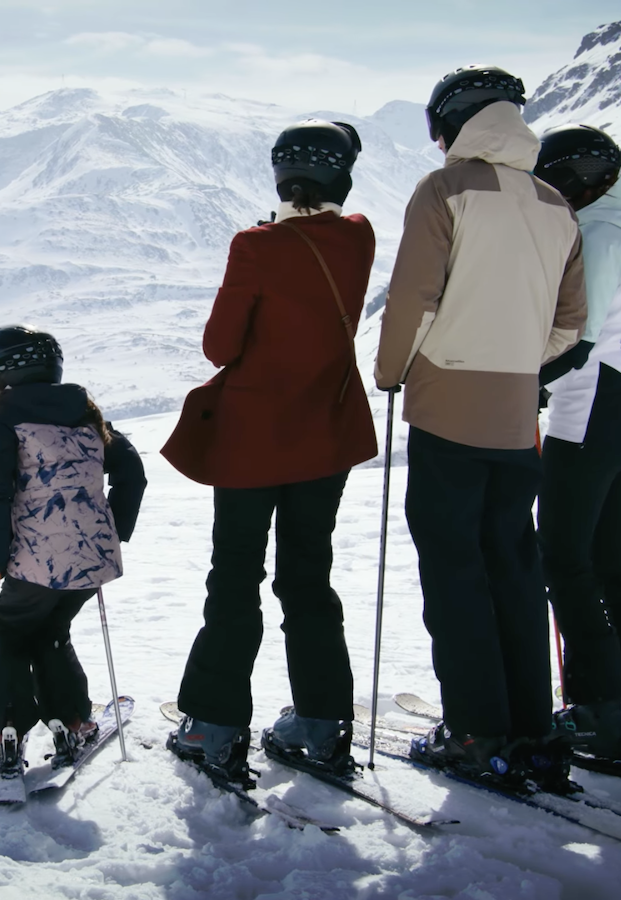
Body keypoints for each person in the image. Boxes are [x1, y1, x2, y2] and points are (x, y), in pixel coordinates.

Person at [372, 65, 587, 785]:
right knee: (514, 567)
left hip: (445, 408)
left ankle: (474, 730)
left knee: (457, 572)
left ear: (454, 122)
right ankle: (533, 725)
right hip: (515, 411)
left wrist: (393, 371)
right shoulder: (557, 203)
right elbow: (570, 325)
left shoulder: (445, 189)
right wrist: (516, 363)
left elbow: (413, 298)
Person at [163, 119, 379, 781]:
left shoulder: (255, 246)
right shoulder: (359, 236)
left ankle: (215, 725)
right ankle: (322, 723)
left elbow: (220, 348)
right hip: (327, 437)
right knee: (308, 578)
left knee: (235, 578)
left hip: (253, 443)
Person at [531, 125, 621, 761]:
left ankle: (597, 711)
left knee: (564, 558)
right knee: (614, 561)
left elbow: (576, 339)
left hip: (595, 410)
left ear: (572, 179)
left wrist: (523, 381)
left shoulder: (597, 234)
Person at [0, 326, 147, 779]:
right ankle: (70, 720)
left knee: (4, 630)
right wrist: (114, 530)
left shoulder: (2, 418)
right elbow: (133, 473)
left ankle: (8, 727)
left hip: (34, 561)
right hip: (93, 560)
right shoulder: (84, 411)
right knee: (51, 627)